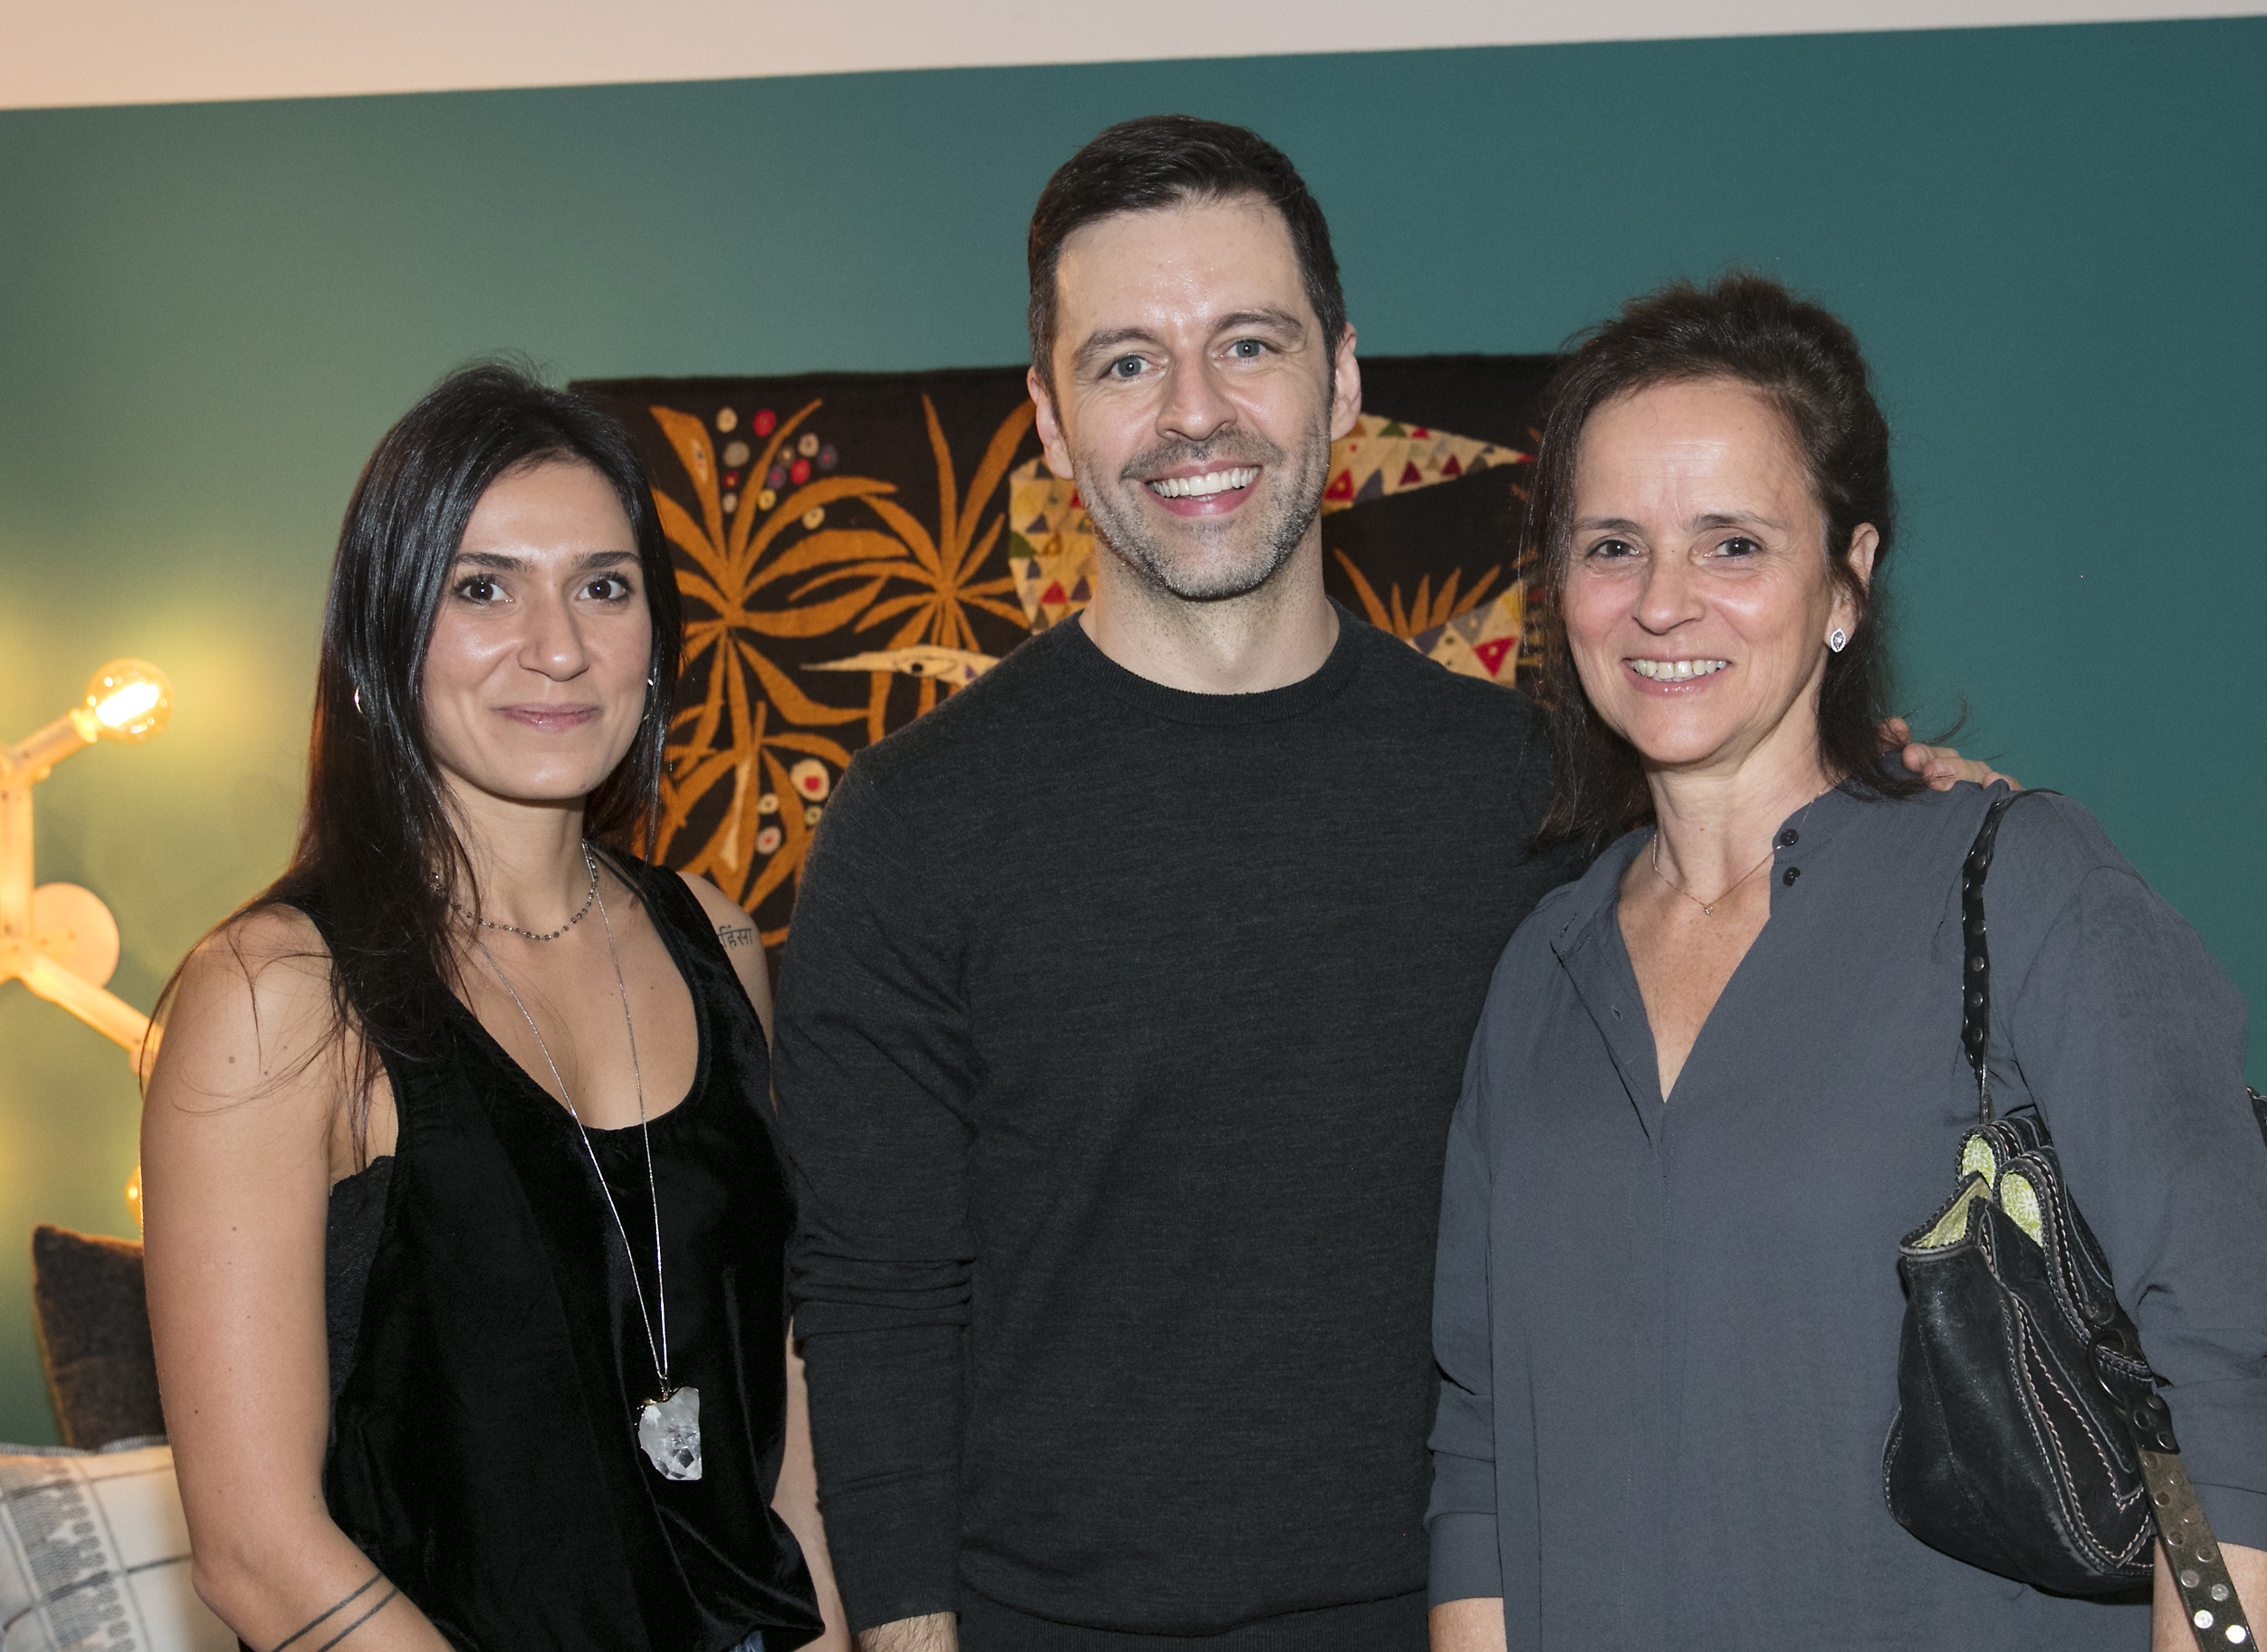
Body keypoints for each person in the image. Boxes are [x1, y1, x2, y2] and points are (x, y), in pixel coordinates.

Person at [775, 120, 1997, 1652]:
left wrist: (1900, 806)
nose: (1194, 412)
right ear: (1046, 416)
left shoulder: (1551, 787)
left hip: (1493, 1609)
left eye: (1247, 343)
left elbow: (1774, 873)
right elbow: (878, 1300)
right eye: (1126, 362)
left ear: (1343, 380)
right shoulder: (914, 819)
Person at [1422, 274, 2267, 1651]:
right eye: (1610, 546)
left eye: (1733, 544)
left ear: (1847, 576)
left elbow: (2242, 1380)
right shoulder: (1540, 970)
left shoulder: (2021, 888)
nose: (1661, 603)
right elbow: (1480, 1450)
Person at [141, 365, 827, 1652]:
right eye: (483, 587)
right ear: (376, 639)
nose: (558, 645)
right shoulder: (276, 994)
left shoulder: (717, 936)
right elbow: (255, 1552)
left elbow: (779, 1397)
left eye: (603, 586)